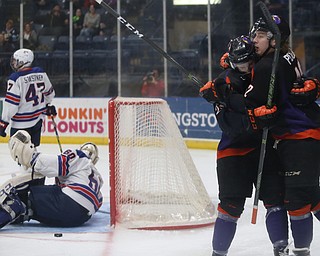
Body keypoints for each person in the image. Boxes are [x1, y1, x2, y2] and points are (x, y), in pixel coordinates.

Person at [200, 35, 288, 256]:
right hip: (233, 153)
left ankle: (281, 248)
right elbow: (230, 125)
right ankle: (218, 253)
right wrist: (255, 118)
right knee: (230, 206)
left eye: (249, 63)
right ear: (231, 62)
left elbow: (278, 108)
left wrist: (270, 118)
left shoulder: (263, 74)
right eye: (240, 64)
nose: (246, 68)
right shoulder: (222, 84)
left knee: (275, 199)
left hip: (264, 147)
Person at [246, 15, 320, 256]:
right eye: (253, 34)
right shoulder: (287, 56)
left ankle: (301, 252)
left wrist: (228, 89)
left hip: (299, 136)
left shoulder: (268, 65)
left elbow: (252, 103)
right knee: (310, 195)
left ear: (275, 41)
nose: (253, 40)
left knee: (299, 200)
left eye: (258, 36)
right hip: (303, 133)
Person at [0, 130, 103, 228]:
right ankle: (23, 213)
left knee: (22, 197)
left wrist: (32, 157)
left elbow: (57, 163)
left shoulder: (80, 156)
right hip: (80, 218)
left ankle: (13, 210)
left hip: (67, 202)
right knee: (30, 206)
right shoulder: (97, 179)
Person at [0, 48, 56, 147]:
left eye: (15, 61)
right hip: (37, 122)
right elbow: (50, 93)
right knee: (33, 153)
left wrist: (3, 122)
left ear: (22, 61)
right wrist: (46, 107)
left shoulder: (15, 78)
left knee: (19, 154)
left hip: (20, 125)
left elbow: (11, 105)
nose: (13, 63)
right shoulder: (41, 73)